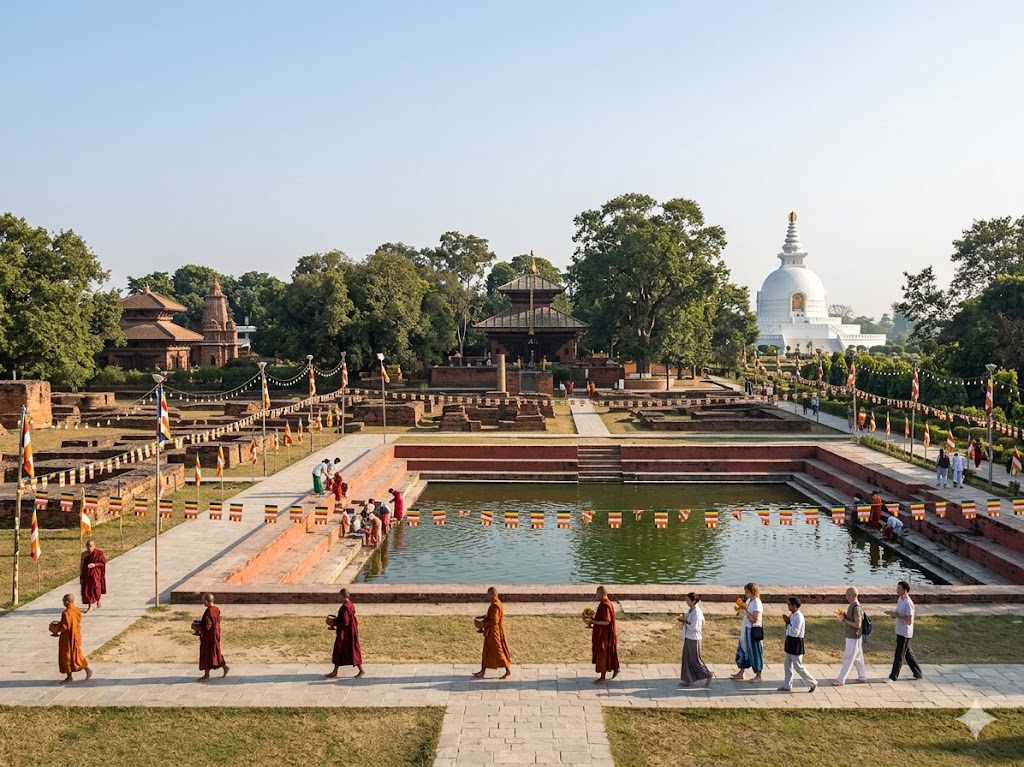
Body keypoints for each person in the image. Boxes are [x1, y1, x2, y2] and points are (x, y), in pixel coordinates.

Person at [883, 580, 923, 682]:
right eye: (897, 588)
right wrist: (893, 614)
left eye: (899, 588)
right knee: (908, 654)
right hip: (899, 631)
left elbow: (909, 620)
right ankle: (917, 673)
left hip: (905, 633)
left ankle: (893, 676)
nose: (897, 590)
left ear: (905, 590)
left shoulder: (908, 603)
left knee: (899, 655)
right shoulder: (900, 599)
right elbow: (898, 613)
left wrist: (897, 616)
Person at [831, 587, 868, 685]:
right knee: (857, 657)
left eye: (847, 595)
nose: (846, 597)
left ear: (852, 596)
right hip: (854, 636)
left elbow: (858, 624)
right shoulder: (853, 606)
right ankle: (862, 676)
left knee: (848, 658)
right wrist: (845, 616)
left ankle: (841, 679)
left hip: (853, 637)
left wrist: (844, 620)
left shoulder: (856, 608)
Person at [778, 597, 817, 693]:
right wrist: (788, 623)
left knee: (798, 666)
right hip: (790, 641)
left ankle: (812, 682)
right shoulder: (792, 615)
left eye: (789, 605)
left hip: (796, 643)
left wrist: (787, 623)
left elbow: (795, 632)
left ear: (794, 605)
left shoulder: (799, 617)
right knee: (787, 664)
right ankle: (787, 685)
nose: (788, 607)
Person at [473, 586, 512, 679]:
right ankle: (482, 671)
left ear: (492, 595)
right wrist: (484, 616)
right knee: (486, 651)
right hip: (491, 632)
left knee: (498, 651)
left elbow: (494, 621)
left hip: (494, 632)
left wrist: (483, 624)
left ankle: (508, 670)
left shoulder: (496, 606)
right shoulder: (495, 604)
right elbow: (491, 616)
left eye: (488, 594)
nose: (487, 596)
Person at [326, 588, 365, 678]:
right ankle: (335, 671)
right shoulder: (350, 604)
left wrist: (334, 623)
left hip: (346, 633)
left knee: (342, 650)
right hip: (351, 630)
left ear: (342, 596)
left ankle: (361, 670)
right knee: (344, 651)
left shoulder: (345, 607)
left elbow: (345, 622)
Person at [730, 582, 764, 682]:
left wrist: (746, 613)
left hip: (753, 630)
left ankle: (758, 675)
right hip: (746, 628)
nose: (745, 594)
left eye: (747, 592)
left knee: (755, 651)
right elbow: (746, 611)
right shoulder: (750, 600)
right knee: (743, 648)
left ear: (752, 592)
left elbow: (755, 619)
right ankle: (741, 671)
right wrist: (740, 609)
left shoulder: (757, 603)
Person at [679, 592, 713, 688]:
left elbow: (695, 627)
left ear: (693, 601)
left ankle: (708, 674)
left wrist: (685, 622)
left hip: (694, 639)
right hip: (688, 637)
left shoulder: (697, 612)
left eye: (688, 600)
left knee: (695, 660)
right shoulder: (691, 610)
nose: (687, 602)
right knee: (686, 659)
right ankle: (688, 679)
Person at [55, 594, 92, 684]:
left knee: (67, 656)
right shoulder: (77, 610)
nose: (63, 603)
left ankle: (69, 677)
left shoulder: (66, 613)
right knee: (76, 654)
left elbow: (65, 626)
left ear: (67, 602)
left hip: (68, 637)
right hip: (76, 635)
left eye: (64, 601)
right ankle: (87, 669)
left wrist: (56, 628)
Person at [197, 592, 229, 682]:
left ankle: (207, 675)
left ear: (207, 601)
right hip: (216, 634)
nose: (203, 602)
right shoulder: (216, 609)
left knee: (206, 654)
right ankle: (225, 667)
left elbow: (208, 625)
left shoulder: (209, 611)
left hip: (209, 637)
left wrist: (200, 630)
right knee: (215, 652)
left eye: (203, 601)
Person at [590, 586, 620, 684]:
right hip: (606, 634)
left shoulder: (606, 605)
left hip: (605, 636)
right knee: (610, 653)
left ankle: (602, 678)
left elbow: (607, 622)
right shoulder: (606, 603)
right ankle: (616, 668)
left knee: (602, 655)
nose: (596, 595)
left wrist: (594, 621)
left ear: (602, 594)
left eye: (597, 594)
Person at [80, 540, 107, 613]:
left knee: (96, 589)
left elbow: (102, 563)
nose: (89, 548)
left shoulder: (99, 553)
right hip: (87, 575)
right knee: (87, 590)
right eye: (88, 546)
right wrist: (81, 576)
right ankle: (90, 606)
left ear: (94, 546)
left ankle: (98, 599)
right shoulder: (84, 554)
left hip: (95, 574)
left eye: (91, 546)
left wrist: (95, 565)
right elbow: (82, 566)